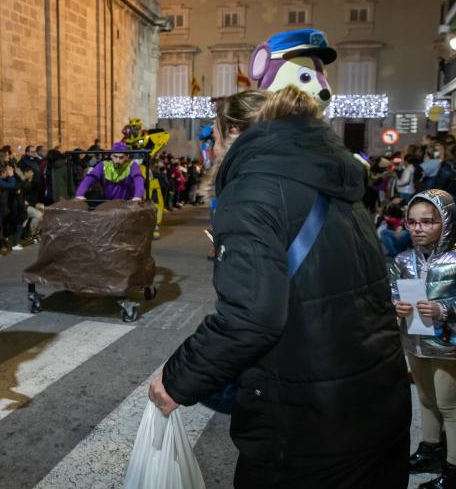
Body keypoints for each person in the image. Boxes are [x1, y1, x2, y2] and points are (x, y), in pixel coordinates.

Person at [149, 86, 410, 488]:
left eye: (213, 134)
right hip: (375, 398)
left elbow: (251, 318)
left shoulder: (255, 188)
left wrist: (177, 378)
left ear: (234, 132)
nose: (211, 146)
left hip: (308, 422)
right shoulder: (330, 178)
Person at [392, 190, 456, 489]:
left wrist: (443, 309)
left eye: (428, 221)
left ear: (446, 222)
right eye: (412, 222)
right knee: (427, 399)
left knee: (450, 406)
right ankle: (430, 449)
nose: (418, 228)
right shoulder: (403, 260)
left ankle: (454, 469)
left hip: (448, 345)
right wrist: (395, 306)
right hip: (415, 339)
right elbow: (392, 292)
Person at [75, 142, 144, 201]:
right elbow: (91, 177)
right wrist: (80, 194)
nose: (117, 160)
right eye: (115, 156)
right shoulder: (103, 165)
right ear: (111, 155)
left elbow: (138, 178)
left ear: (127, 156)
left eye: (121, 157)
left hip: (127, 204)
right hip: (108, 204)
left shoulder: (132, 165)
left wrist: (137, 196)